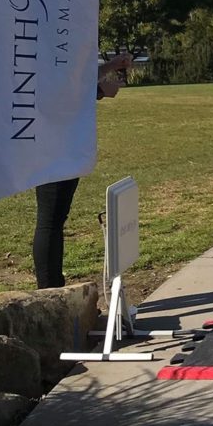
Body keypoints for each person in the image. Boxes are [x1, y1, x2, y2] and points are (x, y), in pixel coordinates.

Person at [33, 52, 133, 289]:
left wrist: (109, 66)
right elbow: (57, 91)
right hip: (53, 143)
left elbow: (72, 79)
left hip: (65, 140)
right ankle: (50, 292)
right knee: (50, 220)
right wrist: (99, 91)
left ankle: (53, 289)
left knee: (55, 218)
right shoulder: (45, 46)